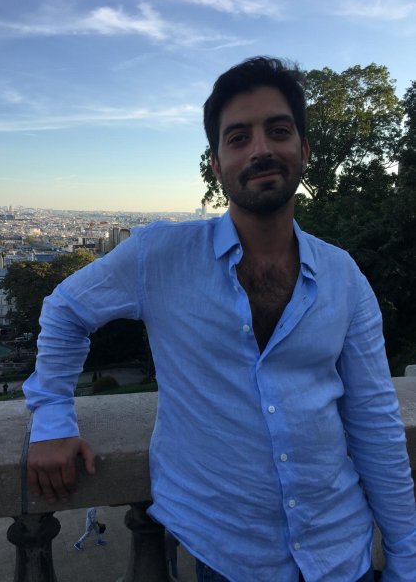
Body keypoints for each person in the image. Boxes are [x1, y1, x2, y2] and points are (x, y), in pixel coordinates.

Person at [23, 57, 416, 581]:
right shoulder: (159, 255)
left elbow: (374, 422)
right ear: (215, 164)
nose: (260, 149)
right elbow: (66, 309)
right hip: (229, 555)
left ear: (304, 150)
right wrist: (52, 419)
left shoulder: (343, 275)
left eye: (279, 131)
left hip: (341, 551)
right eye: (238, 137)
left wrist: (407, 558)